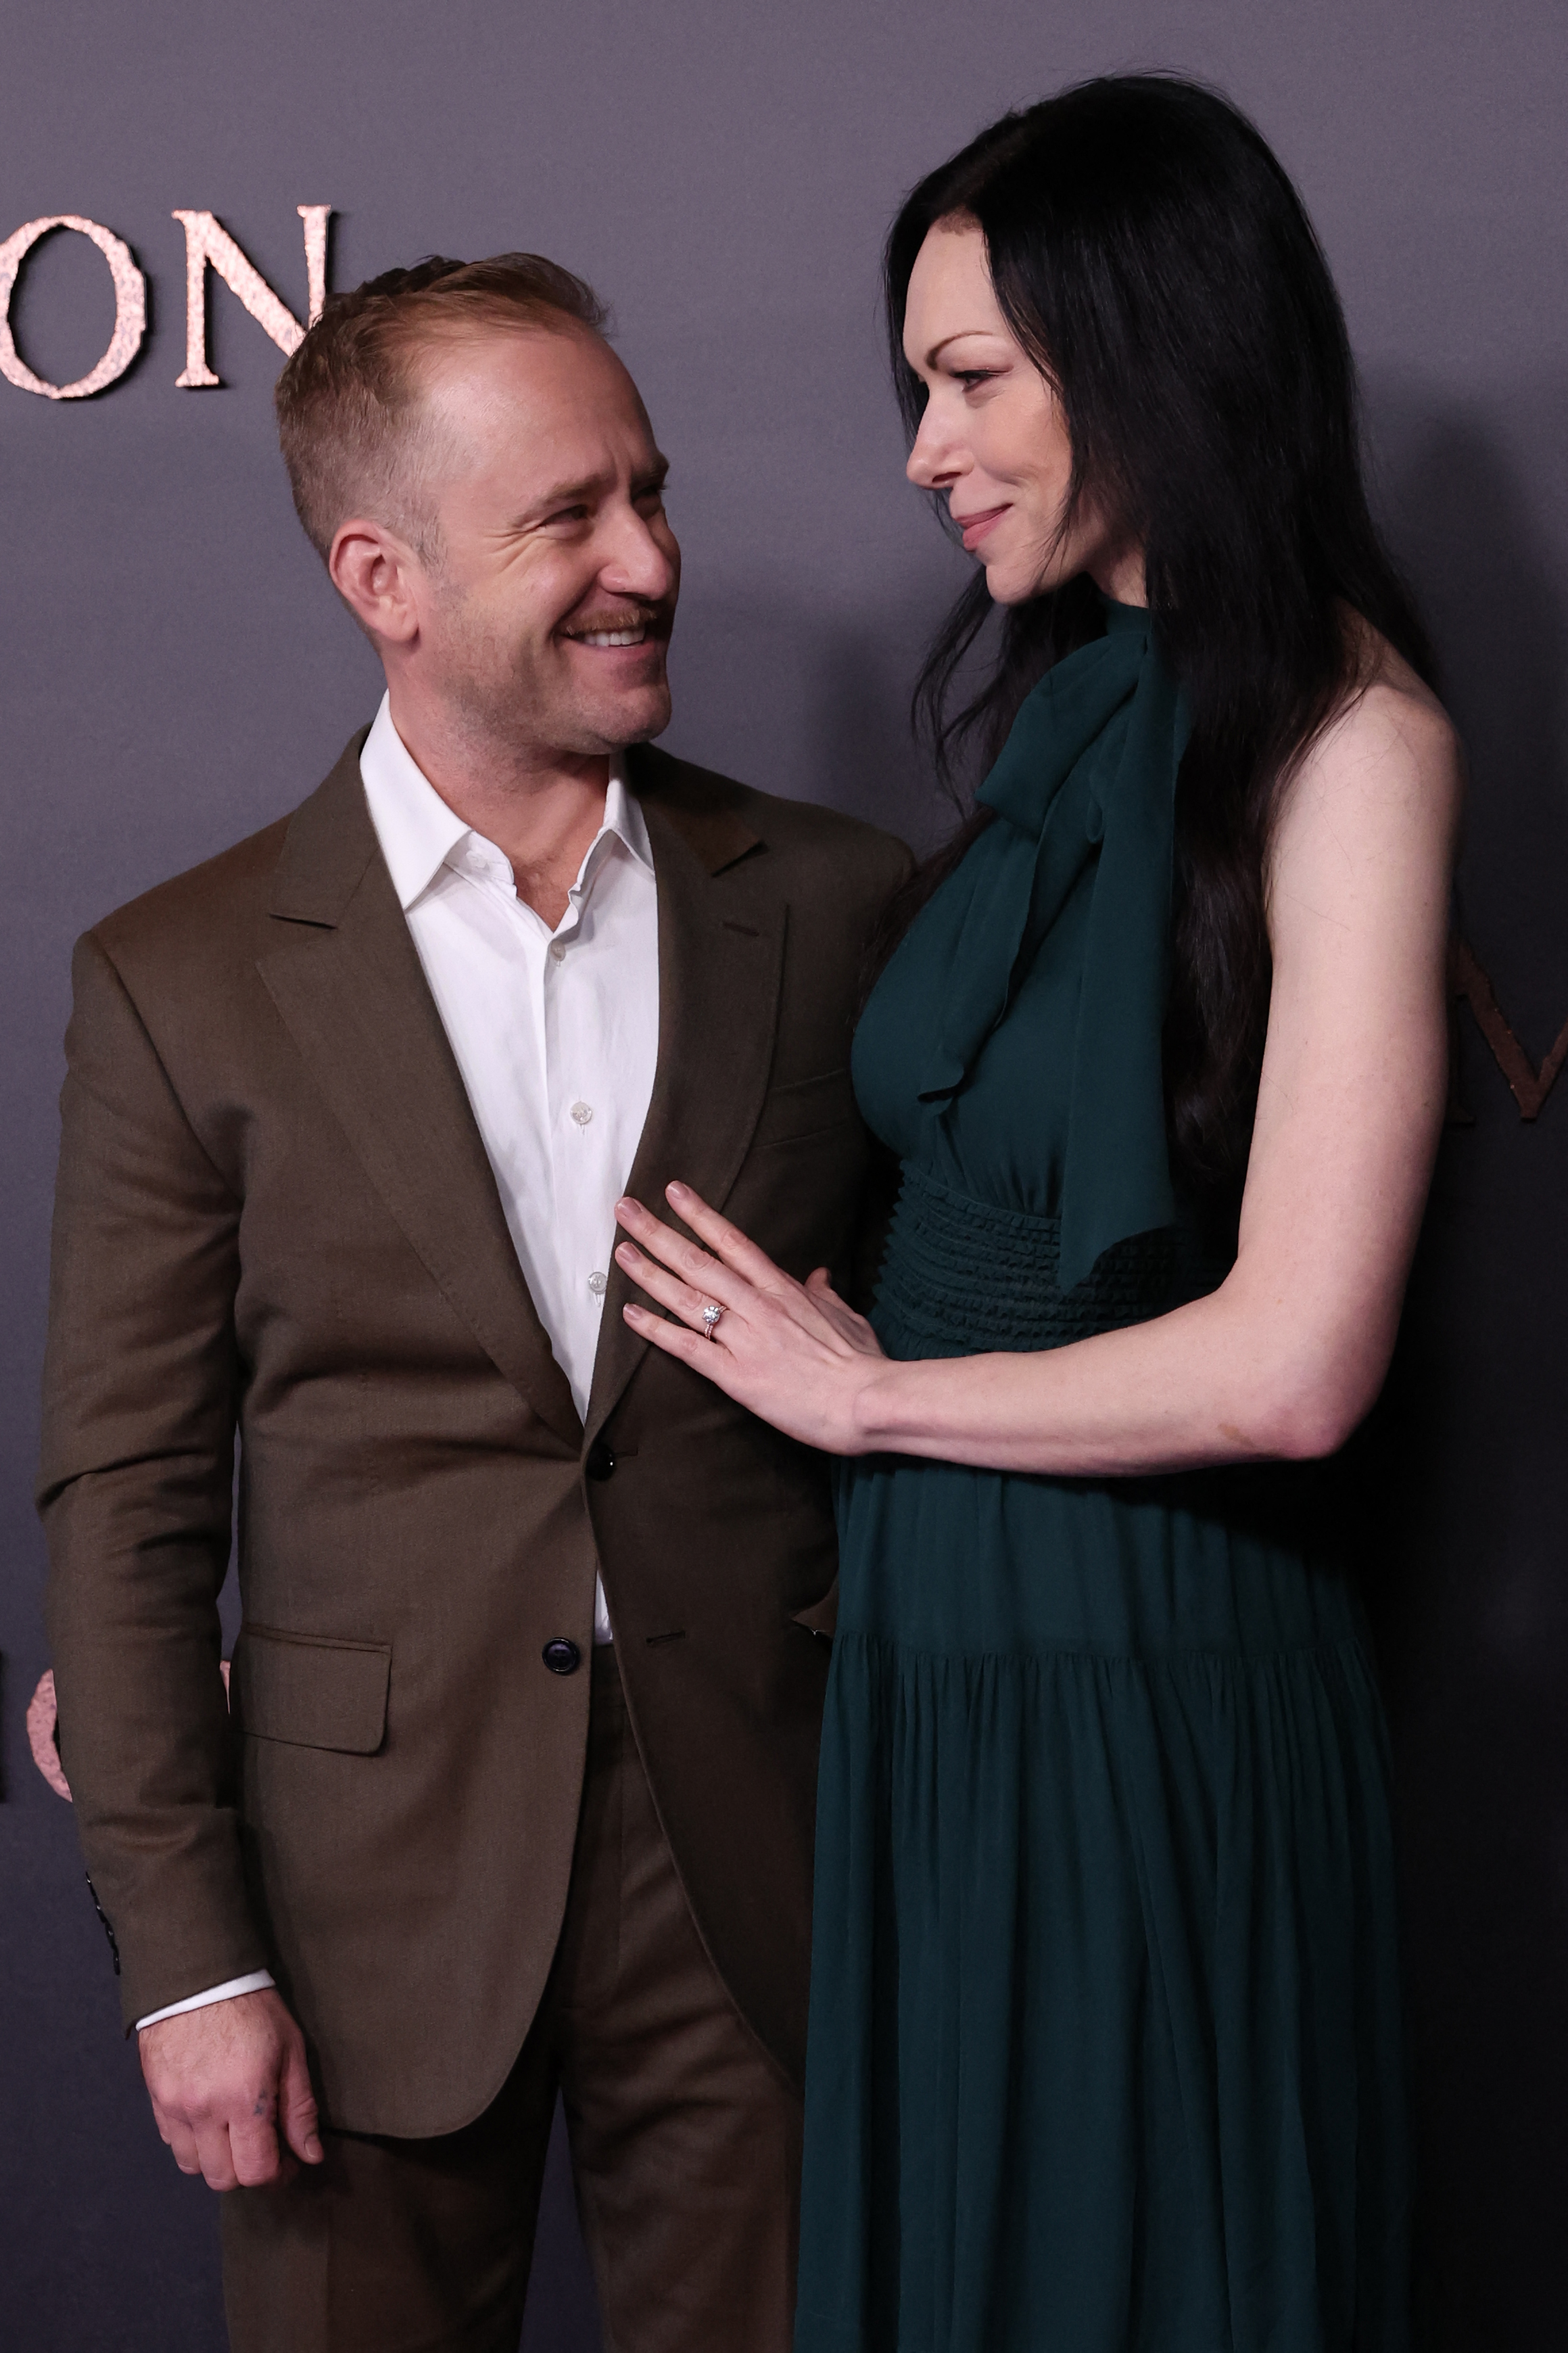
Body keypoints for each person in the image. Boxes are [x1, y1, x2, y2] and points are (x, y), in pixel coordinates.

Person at [613, 77, 1461, 2353]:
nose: (922, 446)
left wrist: (874, 1395)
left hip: (1145, 1663)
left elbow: (1297, 1369)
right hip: (941, 1656)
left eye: (974, 376)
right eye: (918, 385)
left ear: (1156, 345)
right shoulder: (1083, 710)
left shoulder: (1352, 742)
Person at [39, 252, 907, 2353]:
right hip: (356, 1893)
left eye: (651, 493)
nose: (650, 560)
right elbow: (129, 1497)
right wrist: (188, 1960)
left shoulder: (844, 904)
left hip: (764, 1860)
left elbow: (952, 1369)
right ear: (383, 575)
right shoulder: (184, 976)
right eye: (569, 519)